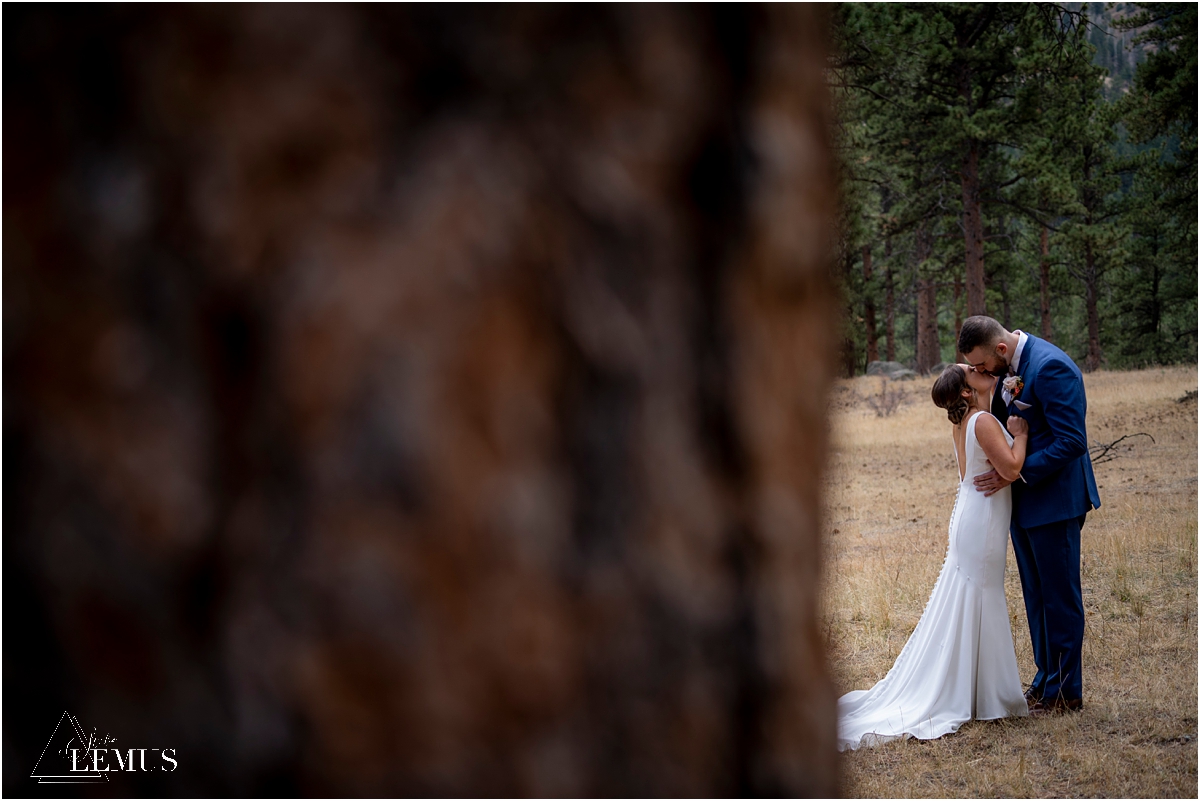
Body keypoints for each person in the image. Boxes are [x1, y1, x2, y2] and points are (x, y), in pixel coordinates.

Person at [837, 364, 1030, 751]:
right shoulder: (984, 422)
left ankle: (983, 692)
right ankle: (990, 696)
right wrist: (1021, 435)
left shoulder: (966, 422)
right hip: (983, 518)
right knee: (982, 595)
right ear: (963, 391)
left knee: (973, 596)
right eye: (970, 371)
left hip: (970, 513)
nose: (978, 369)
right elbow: (1010, 466)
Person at [957, 316, 1100, 714]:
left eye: (984, 366)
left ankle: (1067, 693)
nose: (982, 373)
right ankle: (1045, 680)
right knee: (1036, 599)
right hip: (1022, 503)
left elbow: (1073, 441)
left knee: (1059, 599)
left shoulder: (1051, 366)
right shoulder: (1008, 368)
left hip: (1055, 502)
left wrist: (1015, 471)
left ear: (1001, 350)